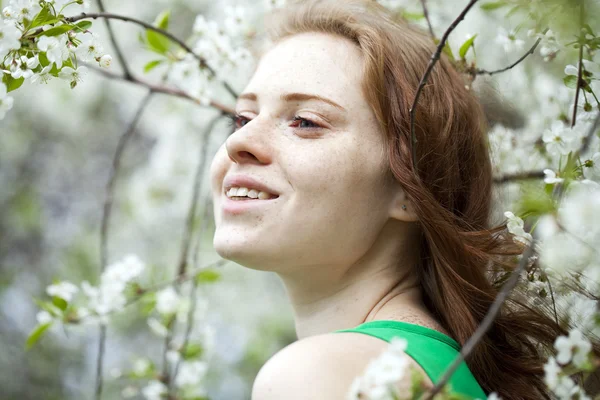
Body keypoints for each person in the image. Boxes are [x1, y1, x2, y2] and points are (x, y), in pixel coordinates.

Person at [209, 0, 568, 398]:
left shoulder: (321, 376)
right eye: (242, 118)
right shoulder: (438, 370)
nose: (238, 142)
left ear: (411, 189)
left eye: (306, 122)